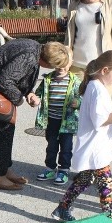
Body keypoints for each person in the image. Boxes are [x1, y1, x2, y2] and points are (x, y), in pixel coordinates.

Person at [50, 50, 112, 223]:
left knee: (84, 180)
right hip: (95, 148)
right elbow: (100, 119)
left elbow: (102, 114)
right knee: (107, 184)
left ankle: (62, 208)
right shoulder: (97, 89)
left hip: (94, 146)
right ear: (104, 70)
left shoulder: (96, 85)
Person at [0, 40, 71, 190]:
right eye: (55, 66)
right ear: (47, 62)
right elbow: (5, 81)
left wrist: (29, 93)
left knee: (7, 126)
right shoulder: (29, 56)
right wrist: (20, 99)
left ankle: (5, 168)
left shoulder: (36, 49)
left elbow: (17, 76)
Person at [34, 50, 81, 186]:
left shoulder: (75, 81)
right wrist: (35, 98)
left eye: (65, 62)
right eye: (58, 63)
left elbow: (83, 97)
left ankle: (64, 170)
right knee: (51, 146)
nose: (61, 66)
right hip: (52, 120)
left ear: (71, 63)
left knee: (66, 147)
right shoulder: (48, 79)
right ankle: (50, 168)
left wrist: (78, 102)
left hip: (68, 122)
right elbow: (39, 93)